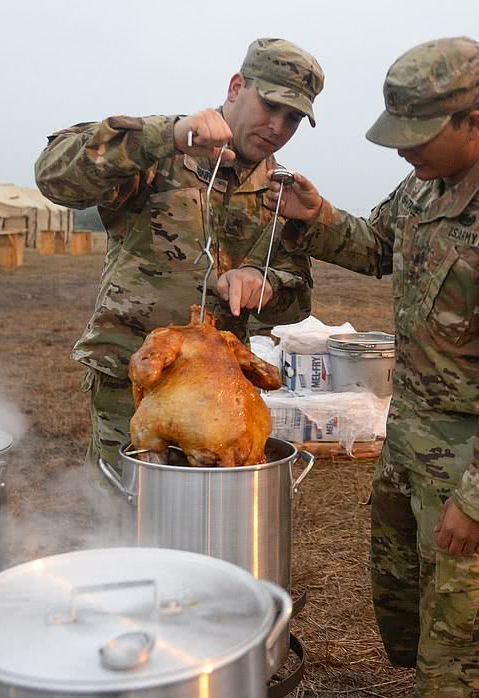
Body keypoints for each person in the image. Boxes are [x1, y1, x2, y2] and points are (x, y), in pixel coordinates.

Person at [268, 37, 479, 696]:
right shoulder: (422, 188)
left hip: (475, 462)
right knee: (416, 625)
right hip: (410, 447)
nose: (402, 150)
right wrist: (316, 216)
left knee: (462, 645)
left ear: (474, 122)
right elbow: (375, 244)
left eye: (417, 135)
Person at [35, 38, 324, 474]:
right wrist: (163, 135)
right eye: (270, 106)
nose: (279, 127)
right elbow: (53, 175)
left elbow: (297, 291)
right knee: (127, 521)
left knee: (211, 527)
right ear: (236, 87)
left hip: (219, 402)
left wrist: (266, 287)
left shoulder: (280, 192)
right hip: (130, 385)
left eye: (294, 118)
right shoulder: (164, 153)